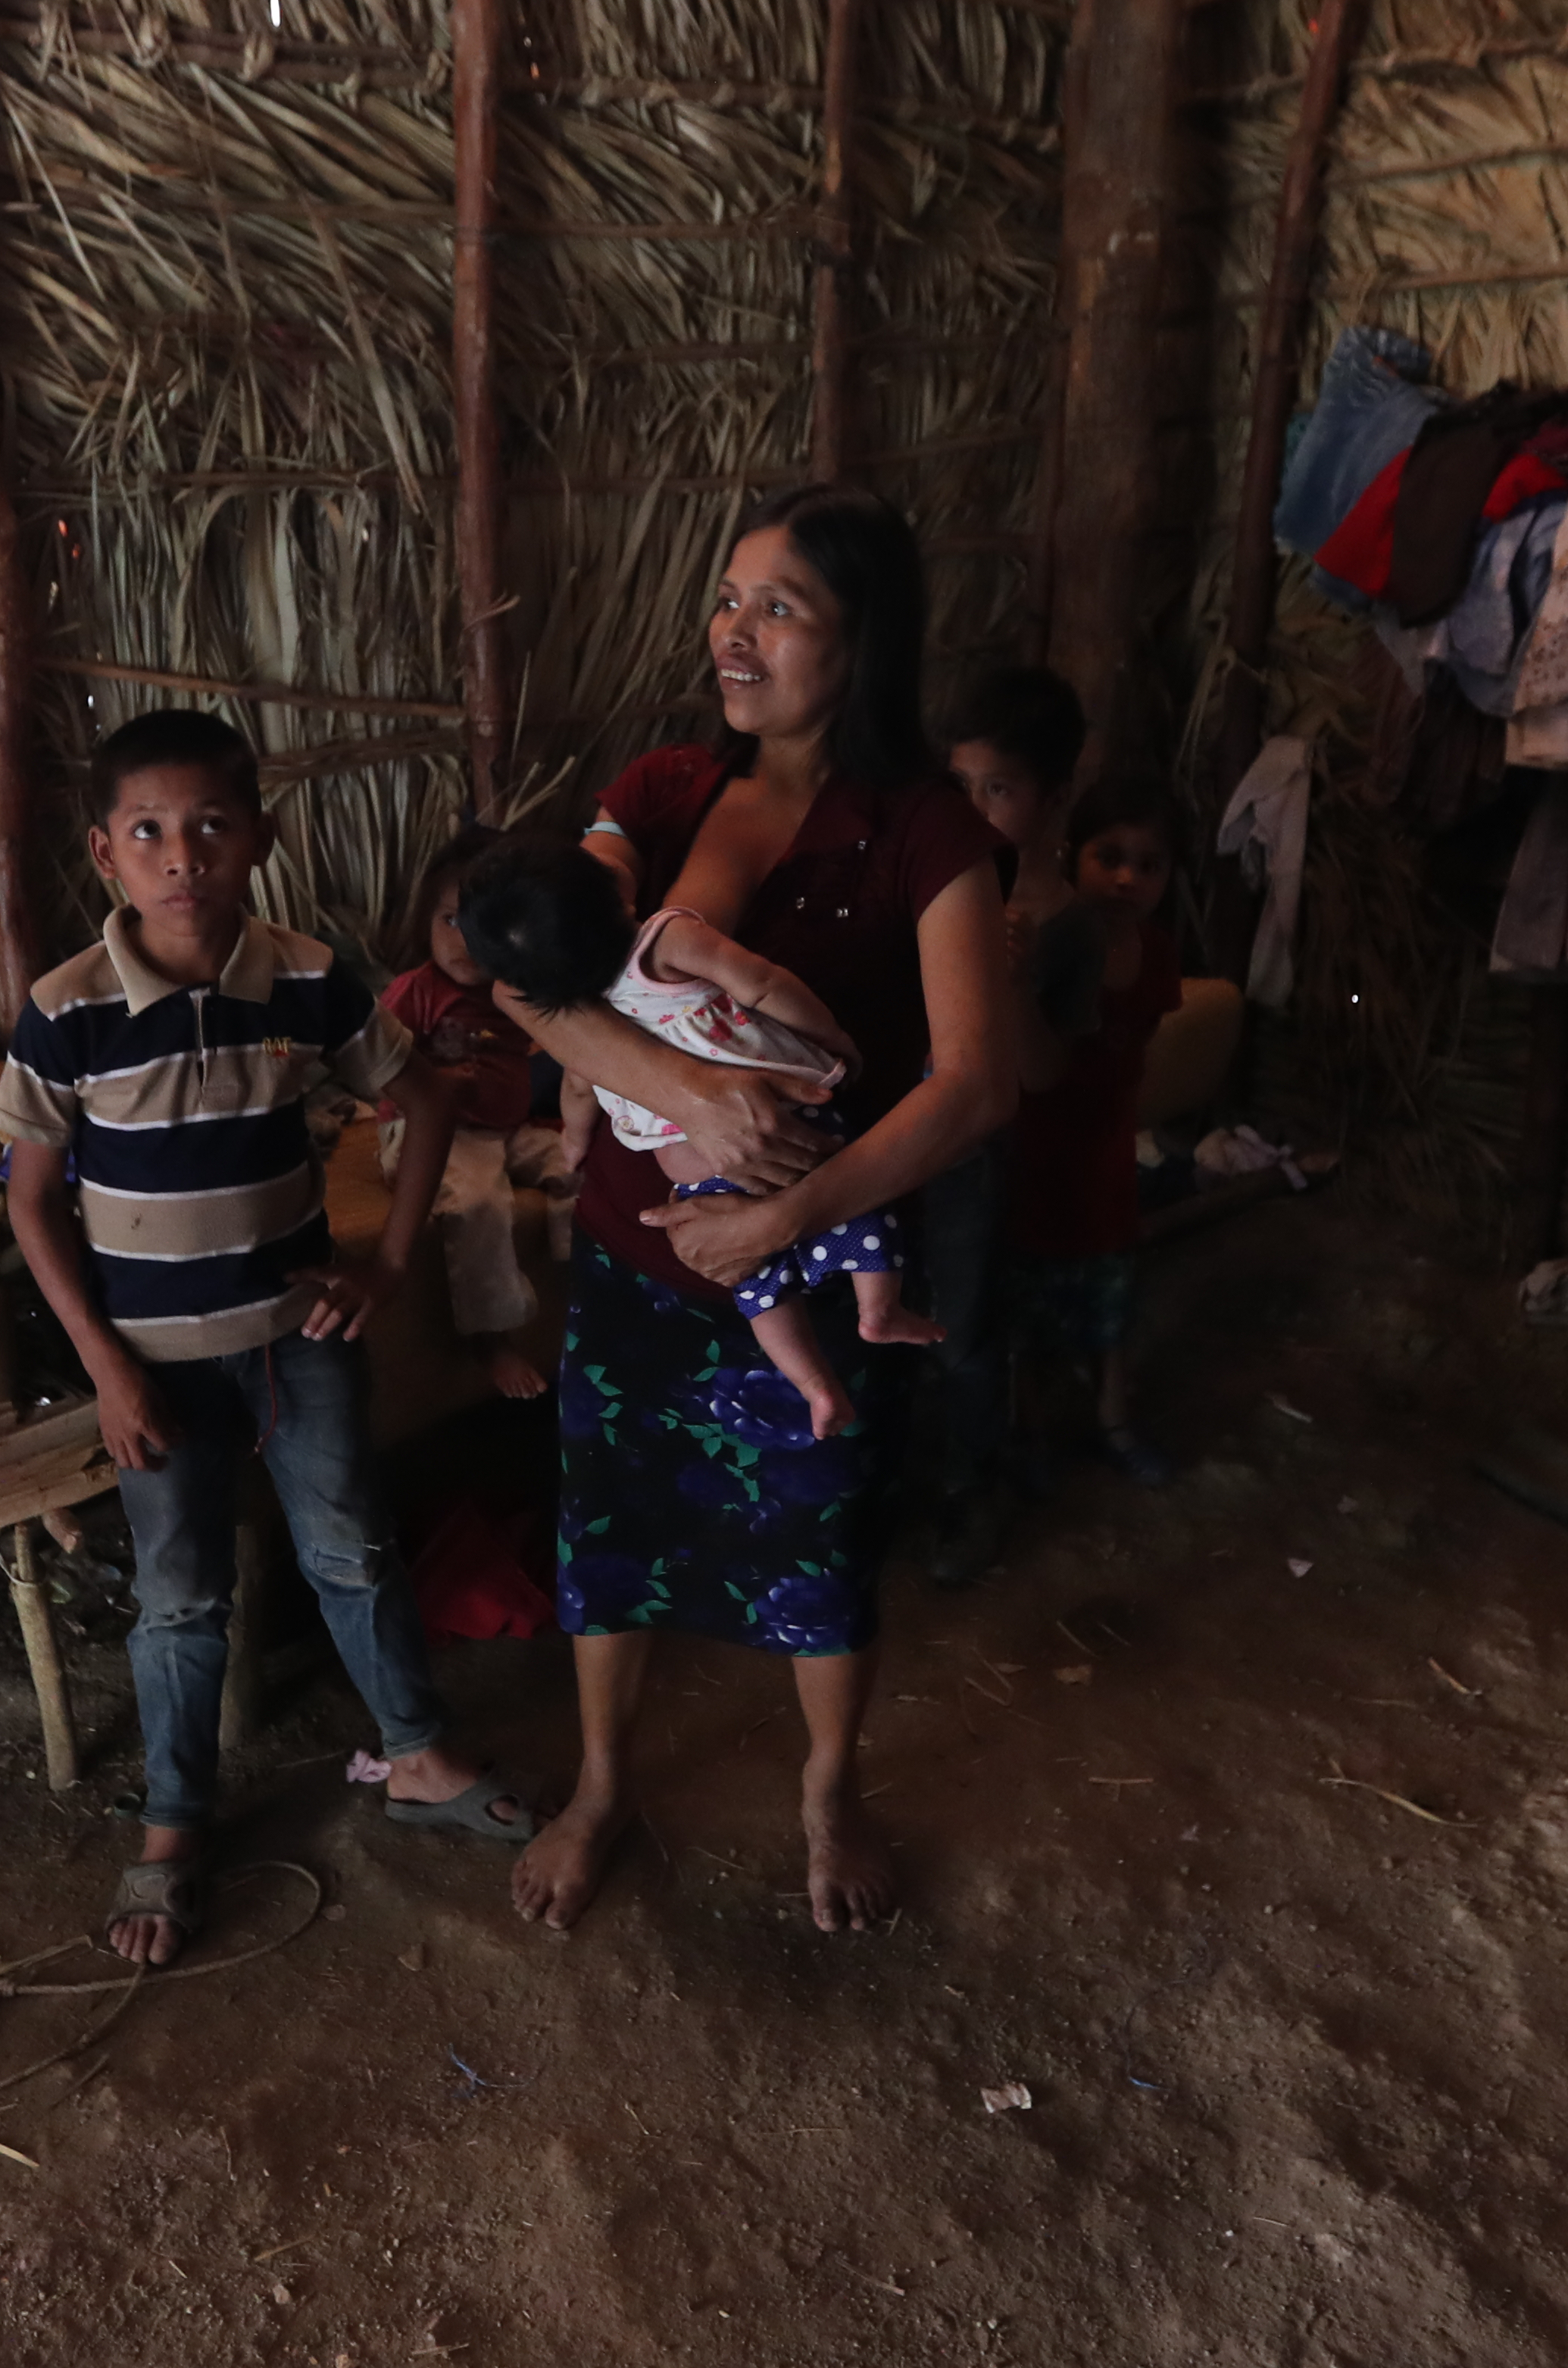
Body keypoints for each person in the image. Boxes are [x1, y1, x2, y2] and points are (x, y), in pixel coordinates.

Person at [482, 487, 1015, 1935]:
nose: (734, 630)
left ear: (864, 640)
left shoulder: (928, 834)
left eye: (779, 607)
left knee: (819, 1538)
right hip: (635, 1258)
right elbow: (525, 968)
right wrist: (689, 1095)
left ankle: (828, 1790)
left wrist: (789, 1217)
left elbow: (974, 1083)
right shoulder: (659, 791)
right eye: (729, 597)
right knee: (611, 1526)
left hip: (818, 1261)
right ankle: (603, 1784)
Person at [0, 711, 538, 1968]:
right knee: (180, 1593)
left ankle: (415, 1753)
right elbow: (30, 1201)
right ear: (105, 853)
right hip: (152, 1364)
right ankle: (176, 1818)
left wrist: (387, 1264)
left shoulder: (305, 977)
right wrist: (107, 1368)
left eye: (211, 826)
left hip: (299, 1338)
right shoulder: (68, 1010)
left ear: (261, 838)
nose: (182, 854)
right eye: (148, 831)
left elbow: (423, 1098)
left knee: (353, 1546)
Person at [454, 839, 945, 1445]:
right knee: (858, 1198)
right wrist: (830, 1036)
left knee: (756, 1283)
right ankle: (879, 1308)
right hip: (787, 1115)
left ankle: (815, 1384)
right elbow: (761, 984)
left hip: (699, 1174)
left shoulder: (582, 1021)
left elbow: (578, 1093)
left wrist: (575, 1144)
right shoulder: (663, 942)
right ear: (616, 895)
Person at [919, 665, 1094, 1581]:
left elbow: (1045, 1072)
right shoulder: (928, 890)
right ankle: (898, 1479)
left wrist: (1013, 982)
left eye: (1000, 790)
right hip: (895, 1143)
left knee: (965, 1333)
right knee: (879, 1313)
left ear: (1053, 799)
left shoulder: (1065, 927)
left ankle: (967, 1493)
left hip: (974, 1163)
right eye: (960, 785)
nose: (974, 810)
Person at [1007, 779, 1187, 1485]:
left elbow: (1135, 1054)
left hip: (1106, 1150)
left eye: (1150, 865)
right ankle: (1030, 1431)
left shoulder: (1158, 954)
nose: (1128, 879)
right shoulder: (1048, 946)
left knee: (1112, 1292)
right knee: (1024, 1303)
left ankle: (1113, 1418)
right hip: (1033, 1149)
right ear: (1070, 855)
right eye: (1109, 857)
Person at [376, 826, 558, 1403]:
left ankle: (570, 1276)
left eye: (487, 924)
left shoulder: (518, 994)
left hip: (505, 1129)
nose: (465, 940)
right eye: (451, 920)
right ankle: (488, 1335)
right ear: (426, 920)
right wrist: (432, 1086)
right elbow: (374, 1071)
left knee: (582, 1164)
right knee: (480, 1201)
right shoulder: (416, 991)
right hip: (430, 1136)